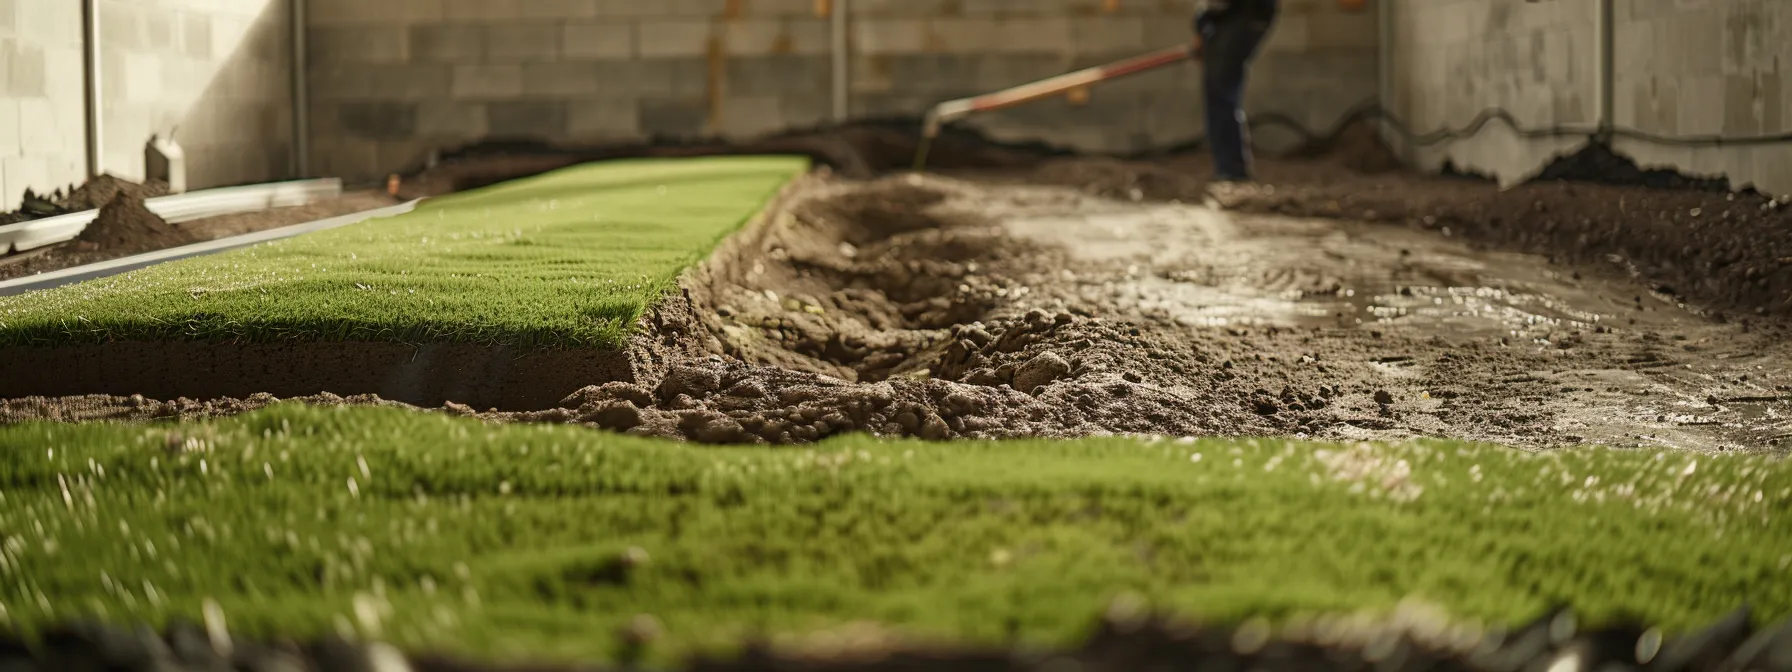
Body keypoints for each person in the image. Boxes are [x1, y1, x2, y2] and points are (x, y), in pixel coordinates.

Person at [1193, 0, 1277, 185]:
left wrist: (1202, 22)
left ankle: (1231, 171)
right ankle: (1231, 168)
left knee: (1220, 90)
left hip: (1239, 12)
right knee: (1221, 88)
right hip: (1246, 13)